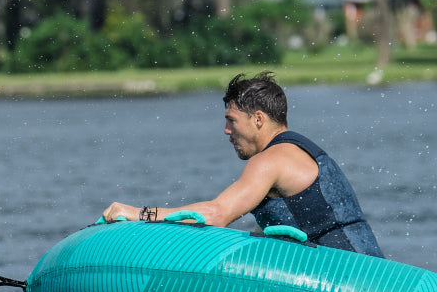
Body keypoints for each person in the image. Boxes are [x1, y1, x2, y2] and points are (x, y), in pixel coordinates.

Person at [101, 71, 384, 257]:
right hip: (369, 271)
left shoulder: (270, 160)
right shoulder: (299, 149)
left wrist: (140, 213)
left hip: (352, 286)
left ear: (258, 119)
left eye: (231, 120)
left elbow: (214, 214)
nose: (226, 130)